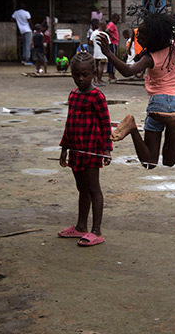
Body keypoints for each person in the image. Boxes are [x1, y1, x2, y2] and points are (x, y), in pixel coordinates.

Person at [98, 8, 175, 168]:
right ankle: (172, 124)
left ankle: (133, 128)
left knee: (150, 162)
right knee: (170, 161)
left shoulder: (150, 57)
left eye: (142, 34)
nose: (137, 36)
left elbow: (127, 71)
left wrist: (108, 53)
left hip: (159, 102)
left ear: (154, 38)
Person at [58, 52, 112, 246]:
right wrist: (64, 148)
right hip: (75, 150)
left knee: (93, 188)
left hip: (91, 150)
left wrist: (106, 149)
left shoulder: (97, 96)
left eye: (85, 74)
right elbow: (69, 122)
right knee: (82, 188)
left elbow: (106, 124)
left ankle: (96, 230)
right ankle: (81, 226)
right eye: (76, 75)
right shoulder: (73, 95)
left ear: (94, 73)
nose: (81, 79)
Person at [89, 19, 110, 86]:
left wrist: (96, 45)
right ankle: (99, 81)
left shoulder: (94, 33)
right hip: (103, 53)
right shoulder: (105, 34)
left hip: (96, 52)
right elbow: (108, 44)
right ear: (104, 26)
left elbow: (90, 42)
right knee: (101, 67)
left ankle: (94, 80)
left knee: (95, 67)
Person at [105, 13, 120, 83]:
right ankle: (111, 75)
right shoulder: (111, 24)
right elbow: (107, 30)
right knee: (113, 59)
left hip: (113, 44)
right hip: (113, 44)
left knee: (111, 59)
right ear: (114, 19)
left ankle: (111, 75)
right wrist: (112, 36)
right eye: (117, 20)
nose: (117, 21)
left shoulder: (111, 24)